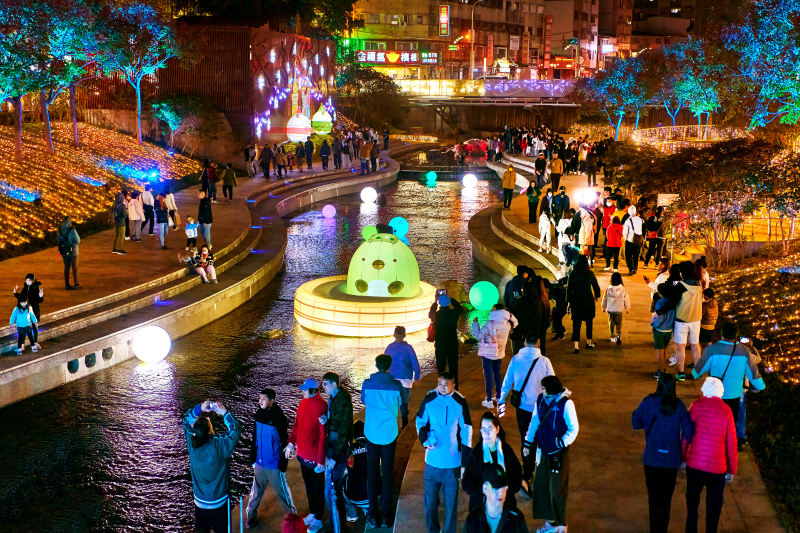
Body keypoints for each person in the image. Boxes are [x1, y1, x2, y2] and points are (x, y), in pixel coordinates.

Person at [631, 374, 694, 533]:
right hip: (670, 460)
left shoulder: (647, 402)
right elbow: (689, 433)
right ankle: (663, 529)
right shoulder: (678, 405)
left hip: (651, 459)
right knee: (666, 499)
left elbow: (635, 423)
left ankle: (654, 529)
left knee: (653, 499)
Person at [416, 372, 472, 533]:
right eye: (439, 383)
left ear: (453, 385)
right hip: (432, 461)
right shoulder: (429, 399)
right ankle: (433, 530)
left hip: (452, 463)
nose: (442, 387)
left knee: (451, 504)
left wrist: (465, 461)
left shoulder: (460, 402)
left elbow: (467, 430)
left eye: (446, 385)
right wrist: (424, 440)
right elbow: (420, 421)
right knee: (430, 502)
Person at [498, 331, 555, 491]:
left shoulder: (515, 360)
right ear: (538, 344)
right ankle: (543, 470)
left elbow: (507, 382)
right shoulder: (544, 361)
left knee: (526, 439)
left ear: (524, 343)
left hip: (522, 407)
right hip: (541, 408)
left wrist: (501, 401)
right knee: (542, 438)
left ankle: (528, 472)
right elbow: (552, 383)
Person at [523, 376, 578, 533]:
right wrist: (528, 442)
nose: (541, 390)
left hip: (558, 454)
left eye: (544, 388)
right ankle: (552, 523)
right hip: (543, 451)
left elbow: (574, 428)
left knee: (556, 489)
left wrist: (561, 442)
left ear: (551, 389)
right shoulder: (541, 400)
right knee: (542, 486)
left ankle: (559, 524)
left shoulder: (566, 404)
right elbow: (535, 420)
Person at [682, 377, 738, 533]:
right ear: (721, 391)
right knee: (714, 506)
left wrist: (683, 457)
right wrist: (731, 469)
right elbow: (731, 442)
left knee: (692, 501)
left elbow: (686, 435)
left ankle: (691, 530)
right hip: (717, 468)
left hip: (695, 464)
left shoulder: (696, 406)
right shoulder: (726, 411)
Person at [182, 400, 242, 533]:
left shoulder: (192, 444)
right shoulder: (220, 445)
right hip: (219, 502)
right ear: (210, 430)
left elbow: (185, 421)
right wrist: (224, 412)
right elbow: (236, 428)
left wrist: (200, 408)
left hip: (200, 502)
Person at [692, 322, 765, 424]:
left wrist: (696, 373)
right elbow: (753, 374)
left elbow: (696, 372)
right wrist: (761, 386)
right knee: (730, 424)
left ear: (722, 333)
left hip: (715, 395)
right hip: (734, 396)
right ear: (736, 335)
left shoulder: (711, 349)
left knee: (714, 423)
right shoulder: (744, 351)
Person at [361, 354, 403, 528]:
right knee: (387, 473)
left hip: (372, 433)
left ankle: (372, 515)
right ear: (389, 366)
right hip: (389, 434)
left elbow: (364, 400)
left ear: (376, 365)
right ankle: (386, 516)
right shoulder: (396, 385)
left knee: (372, 473)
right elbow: (402, 405)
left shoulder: (367, 384)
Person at [247, 388, 296, 527]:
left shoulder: (278, 418)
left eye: (264, 399)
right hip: (260, 461)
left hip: (274, 463)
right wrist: (253, 457)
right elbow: (255, 437)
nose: (260, 401)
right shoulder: (258, 414)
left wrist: (282, 463)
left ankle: (292, 519)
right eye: (260, 398)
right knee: (255, 491)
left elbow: (283, 441)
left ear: (272, 400)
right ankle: (251, 515)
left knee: (282, 493)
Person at [286, 378, 328, 533]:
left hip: (314, 457)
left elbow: (323, 435)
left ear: (313, 390)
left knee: (318, 488)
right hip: (302, 454)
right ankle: (313, 513)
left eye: (305, 389)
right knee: (309, 487)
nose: (302, 391)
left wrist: (320, 460)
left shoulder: (322, 406)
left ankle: (318, 519)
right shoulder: (303, 403)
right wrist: (291, 442)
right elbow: (297, 423)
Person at [462, 413, 523, 512]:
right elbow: (467, 482)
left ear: (497, 429)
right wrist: (485, 490)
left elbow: (517, 476)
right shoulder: (476, 454)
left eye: (490, 429)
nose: (486, 433)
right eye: (483, 429)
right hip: (481, 507)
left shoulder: (506, 451)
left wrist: (504, 488)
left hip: (505, 506)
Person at [657, 260, 703, 381]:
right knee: (695, 345)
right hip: (696, 319)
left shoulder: (680, 286)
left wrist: (660, 311)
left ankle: (681, 372)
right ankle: (697, 372)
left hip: (682, 320)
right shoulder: (699, 286)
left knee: (680, 347)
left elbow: (673, 303)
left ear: (682, 273)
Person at [320, 372, 353, 533]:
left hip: (337, 451)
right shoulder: (334, 398)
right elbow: (337, 423)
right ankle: (338, 526)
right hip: (334, 447)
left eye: (325, 384)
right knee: (334, 489)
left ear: (334, 384)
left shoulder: (342, 400)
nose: (323, 387)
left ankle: (337, 527)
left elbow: (343, 430)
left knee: (331, 491)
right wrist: (327, 420)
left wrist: (334, 457)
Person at [472, 304, 519, 409]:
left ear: (497, 311)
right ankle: (498, 397)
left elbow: (478, 336)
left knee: (488, 376)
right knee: (497, 375)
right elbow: (515, 322)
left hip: (488, 354)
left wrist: (475, 323)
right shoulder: (508, 324)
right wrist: (510, 315)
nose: (491, 310)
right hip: (499, 354)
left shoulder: (490, 323)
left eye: (493, 309)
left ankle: (489, 400)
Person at [463, 464, 528, 533]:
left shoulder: (516, 519)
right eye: (495, 489)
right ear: (485, 489)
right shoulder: (473, 520)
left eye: (503, 488)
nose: (500, 493)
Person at [385, 326, 421, 428]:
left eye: (401, 337)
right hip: (395, 379)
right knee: (396, 401)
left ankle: (404, 421)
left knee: (403, 401)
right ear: (394, 335)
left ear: (404, 336)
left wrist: (417, 376)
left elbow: (415, 362)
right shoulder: (393, 347)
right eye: (397, 337)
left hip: (403, 379)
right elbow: (385, 362)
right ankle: (399, 422)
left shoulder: (405, 348)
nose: (399, 339)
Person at [566, 256, 600, 354]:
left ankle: (576, 346)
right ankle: (589, 342)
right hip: (588, 300)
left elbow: (569, 289)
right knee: (589, 322)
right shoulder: (589, 273)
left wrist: (568, 301)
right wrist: (596, 296)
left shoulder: (573, 274)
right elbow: (596, 286)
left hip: (576, 300)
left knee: (576, 323)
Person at [430, 294, 463, 389]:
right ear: (449, 303)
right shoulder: (454, 313)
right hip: (452, 344)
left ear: (440, 303)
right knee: (453, 368)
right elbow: (459, 307)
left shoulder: (436, 315)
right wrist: (451, 297)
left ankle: (442, 388)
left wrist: (435, 301)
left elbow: (430, 313)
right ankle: (454, 388)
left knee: (441, 368)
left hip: (440, 344)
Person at [343, 421, 373, 522]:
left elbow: (348, 469)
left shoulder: (351, 449)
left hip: (357, 498)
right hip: (376, 496)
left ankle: (352, 514)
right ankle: (368, 509)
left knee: (343, 482)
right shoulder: (372, 446)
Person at [651, 283, 676, 378]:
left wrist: (654, 324)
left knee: (660, 351)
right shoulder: (672, 302)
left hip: (660, 329)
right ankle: (662, 368)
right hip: (668, 329)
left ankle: (660, 371)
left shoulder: (660, 302)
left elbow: (659, 317)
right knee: (664, 349)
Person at [14, 274, 43, 348]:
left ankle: (35, 342)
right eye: (26, 280)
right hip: (25, 311)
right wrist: (15, 293)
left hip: (34, 310)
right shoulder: (25, 287)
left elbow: (39, 300)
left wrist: (41, 296)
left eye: (29, 280)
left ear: (33, 280)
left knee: (34, 326)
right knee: (24, 327)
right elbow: (21, 297)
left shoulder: (36, 288)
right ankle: (22, 344)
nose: (27, 281)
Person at [601, 272, 631, 345]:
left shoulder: (609, 289)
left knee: (611, 322)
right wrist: (627, 308)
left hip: (610, 309)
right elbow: (626, 299)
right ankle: (618, 335)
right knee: (618, 323)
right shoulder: (622, 289)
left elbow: (604, 298)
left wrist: (603, 307)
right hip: (619, 309)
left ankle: (612, 336)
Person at [58, 216, 81, 290]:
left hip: (64, 251)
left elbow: (58, 239)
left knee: (66, 268)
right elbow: (78, 240)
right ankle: (76, 284)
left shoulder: (60, 230)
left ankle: (67, 284)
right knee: (75, 267)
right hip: (73, 251)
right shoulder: (72, 230)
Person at [622, 206, 644, 274]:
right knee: (636, 255)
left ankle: (631, 269)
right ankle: (635, 267)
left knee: (628, 256)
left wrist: (625, 238)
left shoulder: (628, 220)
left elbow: (625, 231)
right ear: (635, 212)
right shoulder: (641, 220)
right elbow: (643, 229)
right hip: (638, 240)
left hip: (630, 240)